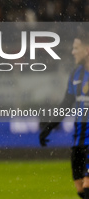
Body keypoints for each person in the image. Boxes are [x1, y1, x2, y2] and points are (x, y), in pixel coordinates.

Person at [39, 31, 89, 199]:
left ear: (87, 49)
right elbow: (66, 104)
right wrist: (49, 126)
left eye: (76, 48)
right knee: (81, 189)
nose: (73, 52)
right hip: (79, 140)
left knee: (88, 186)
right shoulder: (76, 74)